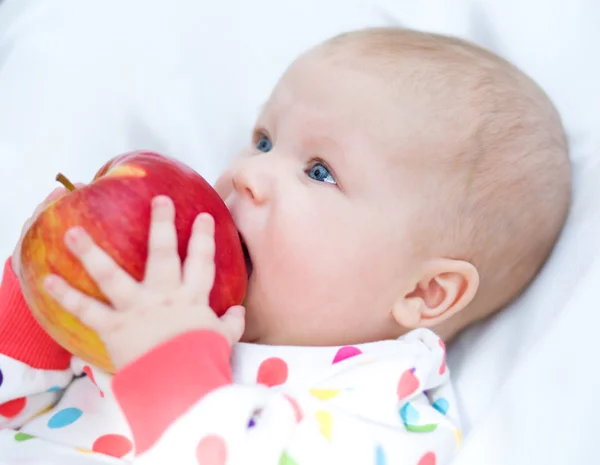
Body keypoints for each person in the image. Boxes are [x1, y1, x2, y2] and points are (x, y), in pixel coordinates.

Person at [0, 27, 571, 465]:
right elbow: (15, 407)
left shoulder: (382, 411)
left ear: (425, 292)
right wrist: (38, 300)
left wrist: (170, 371)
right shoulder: (160, 306)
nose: (249, 173)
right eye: (263, 140)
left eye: (319, 171)